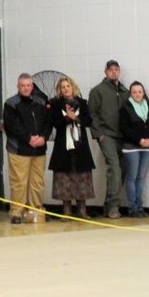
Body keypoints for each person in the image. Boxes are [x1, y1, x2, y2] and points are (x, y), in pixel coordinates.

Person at [3, 73, 52, 224]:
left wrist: (43, 138)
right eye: (23, 85)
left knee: (37, 182)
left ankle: (35, 210)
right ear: (18, 86)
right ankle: (16, 212)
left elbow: (48, 122)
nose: (26, 88)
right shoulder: (10, 103)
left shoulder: (41, 102)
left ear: (32, 86)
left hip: (39, 150)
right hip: (19, 150)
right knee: (19, 182)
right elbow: (11, 126)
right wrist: (28, 138)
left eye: (28, 85)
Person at [48, 77, 95, 220]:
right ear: (60, 90)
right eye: (63, 87)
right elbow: (54, 123)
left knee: (81, 177)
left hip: (80, 146)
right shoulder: (55, 104)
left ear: (73, 87)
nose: (66, 89)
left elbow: (88, 121)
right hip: (63, 147)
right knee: (64, 177)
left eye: (68, 86)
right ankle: (66, 210)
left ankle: (82, 210)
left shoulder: (82, 103)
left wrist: (76, 118)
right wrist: (66, 118)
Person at [89, 60, 128, 219]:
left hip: (123, 137)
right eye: (111, 69)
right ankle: (113, 206)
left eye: (116, 69)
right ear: (105, 72)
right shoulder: (97, 91)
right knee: (115, 168)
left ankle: (108, 205)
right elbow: (92, 113)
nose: (114, 72)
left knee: (122, 170)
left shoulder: (125, 91)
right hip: (107, 135)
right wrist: (99, 134)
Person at [120, 81, 149, 218]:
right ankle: (132, 208)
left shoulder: (147, 106)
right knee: (132, 177)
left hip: (146, 147)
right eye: (134, 92)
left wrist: (147, 140)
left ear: (144, 93)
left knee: (141, 178)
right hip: (131, 148)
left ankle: (140, 207)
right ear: (130, 94)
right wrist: (139, 140)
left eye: (140, 92)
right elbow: (125, 129)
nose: (137, 94)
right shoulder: (125, 108)